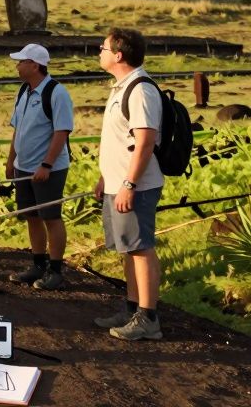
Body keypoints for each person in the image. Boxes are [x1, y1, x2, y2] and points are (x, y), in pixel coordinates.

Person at [93, 28, 164, 340]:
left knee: (140, 248)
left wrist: (129, 184)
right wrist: (106, 178)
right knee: (128, 249)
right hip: (117, 182)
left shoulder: (141, 90)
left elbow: (145, 142)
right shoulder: (121, 87)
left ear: (119, 54)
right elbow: (119, 141)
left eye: (104, 47)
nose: (100, 50)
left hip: (136, 185)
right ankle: (132, 307)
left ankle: (148, 318)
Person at [4, 44, 73, 290]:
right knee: (31, 217)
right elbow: (18, 129)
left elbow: (61, 131)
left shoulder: (57, 93)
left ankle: (55, 270)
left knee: (51, 217)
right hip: (24, 167)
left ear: (35, 65)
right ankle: (37, 264)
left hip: (48, 169)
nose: (17, 65)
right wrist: (11, 160)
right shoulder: (23, 91)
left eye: (22, 61)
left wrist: (46, 164)